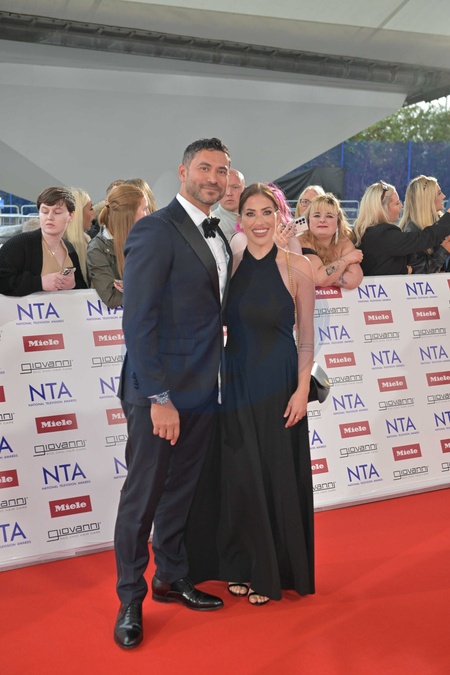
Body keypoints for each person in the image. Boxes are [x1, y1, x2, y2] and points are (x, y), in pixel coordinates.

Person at [113, 138, 233, 650]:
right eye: (204, 168)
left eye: (221, 171)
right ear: (183, 172)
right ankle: (129, 599)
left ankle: (170, 576)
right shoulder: (154, 229)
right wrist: (159, 397)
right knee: (142, 499)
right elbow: (138, 322)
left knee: (181, 491)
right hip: (158, 392)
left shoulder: (220, 233)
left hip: (204, 388)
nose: (213, 178)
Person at [186, 183, 315, 606]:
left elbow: (306, 338)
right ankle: (241, 565)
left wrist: (302, 390)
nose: (260, 221)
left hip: (279, 382)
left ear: (280, 215)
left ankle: (271, 570)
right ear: (239, 219)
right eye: (251, 213)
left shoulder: (298, 266)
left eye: (267, 212)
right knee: (240, 475)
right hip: (236, 380)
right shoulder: (231, 263)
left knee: (275, 474)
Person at [0, 186, 86, 295]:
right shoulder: (20, 244)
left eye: (57, 212)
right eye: (44, 211)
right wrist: (39, 282)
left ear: (71, 216)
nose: (49, 217)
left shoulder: (69, 248)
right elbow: (3, 280)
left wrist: (73, 284)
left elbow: (82, 287)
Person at [354, 180, 450, 275]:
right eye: (397, 203)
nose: (401, 206)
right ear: (382, 209)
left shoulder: (362, 232)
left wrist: (402, 269)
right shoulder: (384, 234)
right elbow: (423, 239)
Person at [86, 184, 151, 308]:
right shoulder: (97, 249)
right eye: (144, 209)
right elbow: (112, 297)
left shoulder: (150, 240)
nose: (149, 214)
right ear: (128, 215)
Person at [300, 193, 363, 289]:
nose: (322, 220)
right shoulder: (302, 241)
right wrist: (347, 259)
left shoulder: (344, 242)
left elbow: (354, 280)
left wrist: (326, 277)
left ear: (338, 222)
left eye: (329, 216)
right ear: (308, 221)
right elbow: (320, 279)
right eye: (317, 215)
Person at [399, 175, 450, 273]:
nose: (443, 196)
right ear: (427, 200)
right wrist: (444, 250)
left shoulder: (438, 223)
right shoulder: (411, 231)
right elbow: (418, 272)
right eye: (439, 193)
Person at [65, 187, 94, 283]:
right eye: (91, 208)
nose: (94, 212)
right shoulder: (61, 247)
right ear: (78, 213)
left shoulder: (88, 241)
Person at [212, 168, 245, 240]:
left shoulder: (254, 219)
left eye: (235, 187)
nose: (229, 193)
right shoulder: (211, 224)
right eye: (224, 188)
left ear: (244, 190)